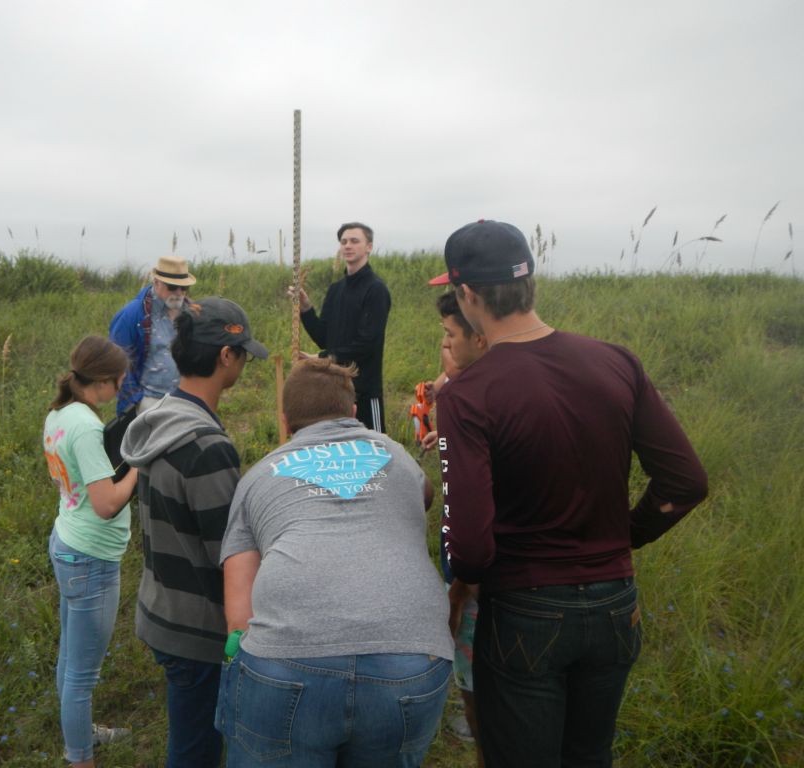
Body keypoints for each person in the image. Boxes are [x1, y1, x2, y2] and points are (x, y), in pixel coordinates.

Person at [434, 219, 709, 768]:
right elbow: (685, 482)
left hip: (524, 609)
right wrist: (616, 540)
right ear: (529, 280)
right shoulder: (616, 361)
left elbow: (470, 548)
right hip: (614, 604)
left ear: (466, 296)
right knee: (589, 756)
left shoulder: (468, 394)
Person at [217, 357, 454, 767]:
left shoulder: (257, 477)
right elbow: (425, 496)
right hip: (411, 658)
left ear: (286, 421)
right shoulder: (395, 455)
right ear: (354, 414)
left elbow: (238, 617)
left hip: (286, 662)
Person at [121, 297, 268, 768]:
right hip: (195, 628)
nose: (244, 362)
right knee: (197, 749)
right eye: (243, 353)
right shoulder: (206, 445)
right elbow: (228, 553)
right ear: (226, 356)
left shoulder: (163, 415)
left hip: (160, 604)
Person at [43, 335, 140, 768]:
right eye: (119, 381)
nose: (121, 387)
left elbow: (78, 485)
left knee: (70, 657)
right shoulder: (85, 427)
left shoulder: (61, 414)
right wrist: (138, 464)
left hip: (67, 541)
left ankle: (80, 731)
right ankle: (80, 758)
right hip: (91, 556)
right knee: (82, 676)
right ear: (101, 381)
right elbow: (106, 504)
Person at [422, 290, 488, 766]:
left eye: (448, 337)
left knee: (468, 623)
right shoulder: (457, 393)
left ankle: (475, 714)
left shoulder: (474, 397)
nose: (443, 348)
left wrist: (461, 584)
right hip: (461, 535)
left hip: (477, 554)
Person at [289, 222, 391, 431]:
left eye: (355, 241)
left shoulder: (376, 289)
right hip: (334, 390)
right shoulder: (336, 290)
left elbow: (367, 343)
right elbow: (324, 337)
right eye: (344, 241)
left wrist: (325, 358)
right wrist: (306, 308)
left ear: (368, 247)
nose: (348, 246)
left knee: (374, 451)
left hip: (364, 391)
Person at [108, 255, 197, 417]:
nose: (179, 293)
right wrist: (136, 400)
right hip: (149, 401)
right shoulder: (132, 315)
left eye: (183, 288)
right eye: (172, 286)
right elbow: (116, 361)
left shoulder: (192, 313)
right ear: (156, 282)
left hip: (184, 399)